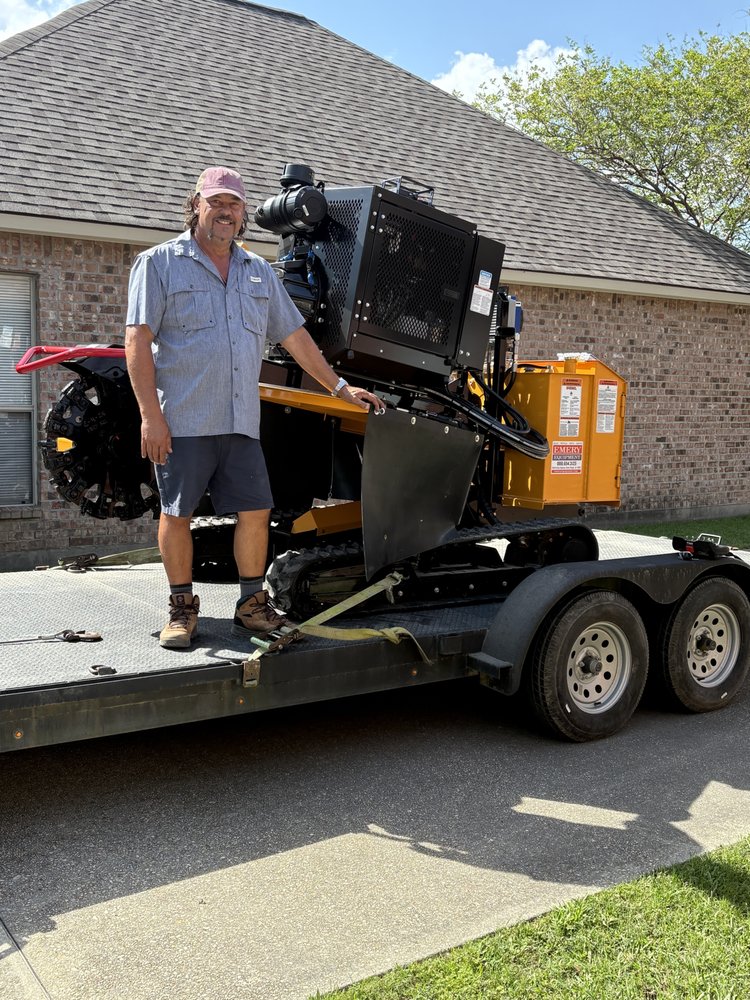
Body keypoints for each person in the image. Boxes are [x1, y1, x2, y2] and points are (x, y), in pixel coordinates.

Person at [125, 166, 382, 649]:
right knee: (177, 513)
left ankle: (250, 606)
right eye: (216, 202)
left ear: (243, 215)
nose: (226, 211)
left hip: (241, 421)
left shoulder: (257, 271)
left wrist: (340, 388)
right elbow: (136, 341)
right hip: (182, 419)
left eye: (234, 204)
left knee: (256, 510)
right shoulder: (158, 264)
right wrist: (149, 416)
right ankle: (181, 610)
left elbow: (295, 336)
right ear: (196, 205)